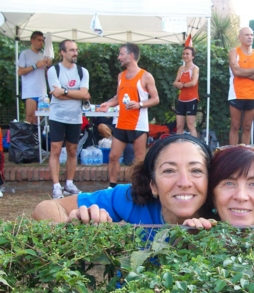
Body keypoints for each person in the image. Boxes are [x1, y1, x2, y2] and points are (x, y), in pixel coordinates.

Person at [32, 135, 212, 225]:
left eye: (196, 170)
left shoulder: (223, 209)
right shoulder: (132, 198)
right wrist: (71, 231)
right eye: (169, 170)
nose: (184, 182)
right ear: (153, 185)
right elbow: (46, 207)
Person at [99, 43, 160, 189]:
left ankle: (139, 188)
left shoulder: (145, 76)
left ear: (131, 56)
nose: (119, 57)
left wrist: (139, 104)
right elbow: (118, 97)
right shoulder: (121, 76)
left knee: (139, 159)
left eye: (121, 54)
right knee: (113, 156)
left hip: (138, 124)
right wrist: (108, 104)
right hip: (121, 123)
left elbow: (156, 99)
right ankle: (111, 187)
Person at [47, 40, 90, 199]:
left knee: (73, 150)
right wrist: (75, 93)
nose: (75, 53)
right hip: (57, 116)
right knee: (56, 150)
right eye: (71, 50)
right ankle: (56, 186)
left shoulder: (82, 71)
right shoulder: (54, 70)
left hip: (75, 117)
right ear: (62, 53)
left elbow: (84, 94)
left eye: (76, 50)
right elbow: (56, 94)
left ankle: (69, 184)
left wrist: (64, 91)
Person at [228, 27, 254, 145]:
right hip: (236, 93)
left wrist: (242, 71)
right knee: (235, 126)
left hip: (252, 94)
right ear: (240, 37)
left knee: (247, 126)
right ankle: (233, 153)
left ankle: (245, 154)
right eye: (247, 35)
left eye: (251, 35)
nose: (250, 37)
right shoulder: (234, 52)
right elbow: (236, 72)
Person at [17, 31, 52, 124]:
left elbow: (47, 76)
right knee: (30, 118)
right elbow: (20, 72)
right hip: (30, 91)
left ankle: (38, 138)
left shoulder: (43, 56)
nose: (41, 43)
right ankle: (30, 138)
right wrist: (35, 66)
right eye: (39, 40)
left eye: (42, 41)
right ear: (32, 40)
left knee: (39, 120)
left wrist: (48, 67)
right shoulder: (25, 54)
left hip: (42, 92)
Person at [173, 47, 199, 137]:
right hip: (181, 100)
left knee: (190, 125)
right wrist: (178, 84)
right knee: (179, 125)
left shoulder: (195, 68)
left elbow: (193, 83)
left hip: (192, 99)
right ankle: (179, 145)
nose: (185, 55)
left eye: (187, 54)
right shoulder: (181, 68)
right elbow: (175, 82)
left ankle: (195, 146)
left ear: (193, 56)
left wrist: (182, 84)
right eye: (184, 54)